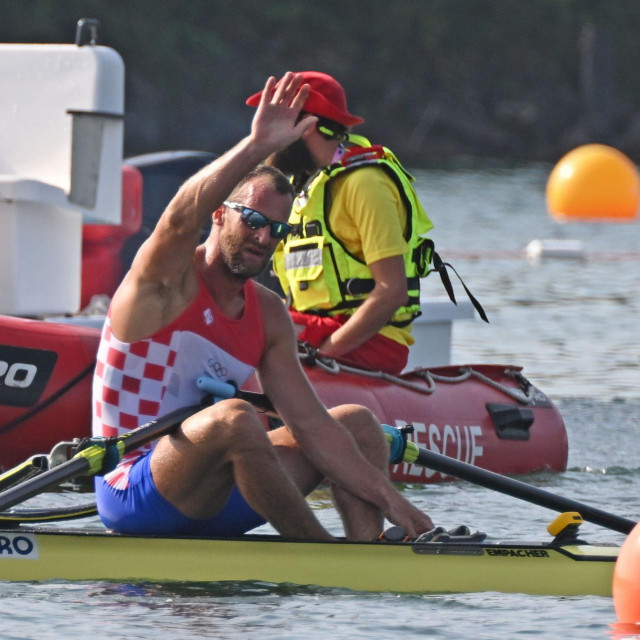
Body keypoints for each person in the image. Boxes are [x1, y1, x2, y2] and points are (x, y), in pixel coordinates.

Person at [92, 72, 435, 541]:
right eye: (252, 220)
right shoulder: (164, 284)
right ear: (219, 215)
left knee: (354, 423)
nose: (262, 237)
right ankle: (322, 555)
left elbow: (312, 426)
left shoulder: (269, 314)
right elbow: (177, 218)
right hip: (136, 488)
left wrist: (395, 500)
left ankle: (366, 557)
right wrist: (257, 145)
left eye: (277, 230)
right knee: (234, 418)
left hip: (219, 491)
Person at [246, 71, 436, 376]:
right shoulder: (304, 185)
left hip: (372, 342)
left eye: (275, 121)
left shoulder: (364, 183)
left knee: (251, 325)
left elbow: (392, 292)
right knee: (235, 314)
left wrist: (322, 356)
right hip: (311, 331)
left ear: (306, 126)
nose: (267, 134)